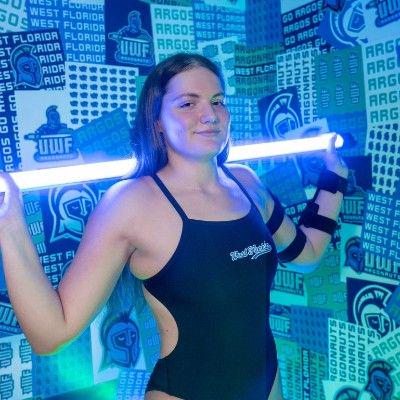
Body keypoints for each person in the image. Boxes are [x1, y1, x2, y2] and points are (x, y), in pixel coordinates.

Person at [0, 53, 348, 400]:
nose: (210, 115)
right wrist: (9, 223)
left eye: (217, 101)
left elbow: (307, 255)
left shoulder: (246, 183)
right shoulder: (132, 202)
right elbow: (51, 333)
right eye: (187, 103)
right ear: (157, 122)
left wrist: (335, 178)